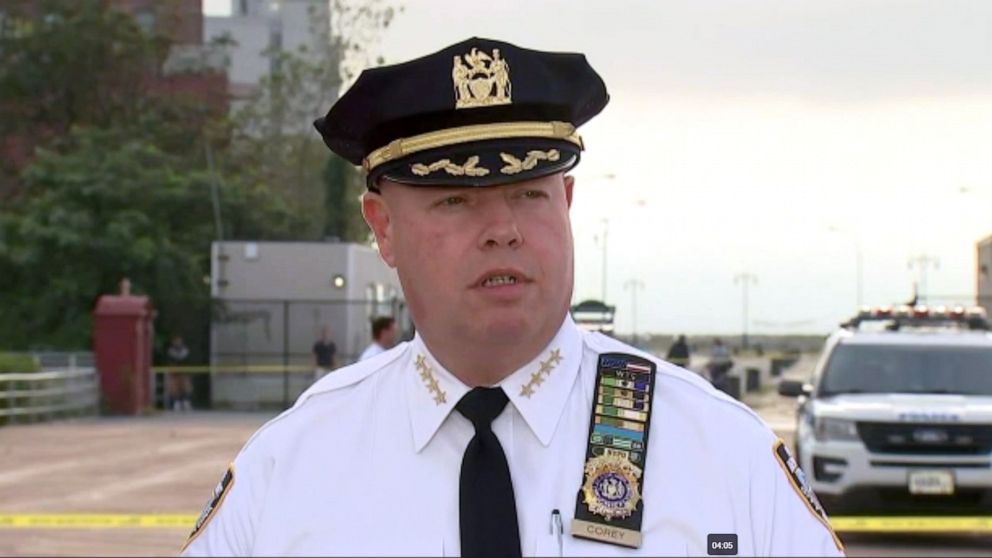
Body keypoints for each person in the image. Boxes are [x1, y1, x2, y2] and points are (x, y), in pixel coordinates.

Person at [182, 38, 844, 557]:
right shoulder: (292, 469)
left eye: (530, 193)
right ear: (383, 228)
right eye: (456, 201)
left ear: (568, 202)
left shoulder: (720, 454)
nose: (503, 230)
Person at [165, 334, 192, 412]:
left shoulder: (185, 350)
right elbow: (169, 361)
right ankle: (176, 403)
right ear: (173, 342)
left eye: (179, 340)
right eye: (176, 341)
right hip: (174, 372)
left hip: (184, 371)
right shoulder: (170, 351)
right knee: (174, 388)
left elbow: (187, 360)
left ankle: (186, 403)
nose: (177, 342)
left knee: (186, 386)